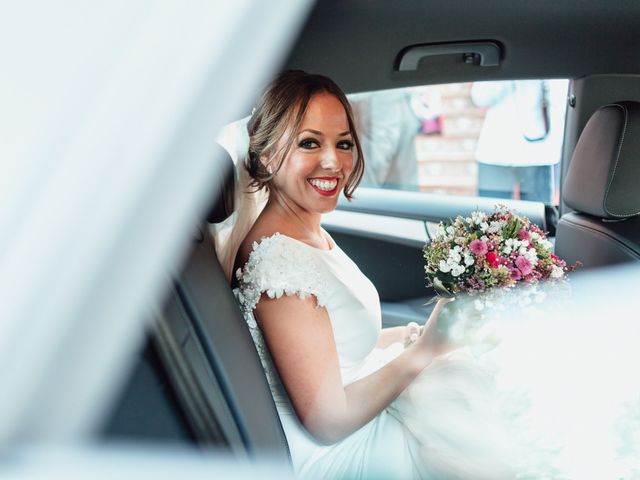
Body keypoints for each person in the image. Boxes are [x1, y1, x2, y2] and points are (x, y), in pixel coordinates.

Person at [217, 70, 513, 478]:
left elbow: (334, 344)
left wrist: (417, 334)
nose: (333, 161)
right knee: (473, 414)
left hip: (349, 421)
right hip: (336, 452)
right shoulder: (278, 265)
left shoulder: (306, 231)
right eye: (309, 143)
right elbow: (327, 420)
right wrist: (424, 351)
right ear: (266, 155)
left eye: (343, 143)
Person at [471, 80, 567, 203]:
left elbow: (561, 99)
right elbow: (480, 97)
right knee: (490, 216)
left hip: (538, 152)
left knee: (538, 217)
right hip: (495, 150)